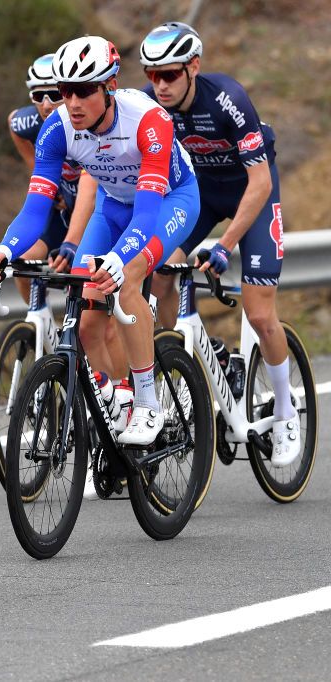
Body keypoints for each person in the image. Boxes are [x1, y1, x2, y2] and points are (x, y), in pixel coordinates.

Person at [0, 36, 199, 447]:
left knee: (126, 277)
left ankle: (149, 400)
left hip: (170, 201)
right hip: (113, 208)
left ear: (109, 86)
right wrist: (3, 252)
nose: (71, 102)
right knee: (85, 317)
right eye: (64, 92)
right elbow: (34, 211)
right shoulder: (57, 128)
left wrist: (118, 257)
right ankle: (118, 395)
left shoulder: (149, 121)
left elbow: (148, 216)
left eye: (83, 91)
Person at [140, 22, 300, 466]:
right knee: (160, 272)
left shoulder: (227, 99)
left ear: (194, 66)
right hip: (201, 197)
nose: (160, 85)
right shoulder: (150, 105)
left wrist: (225, 245)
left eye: (169, 74)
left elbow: (261, 180)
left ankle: (287, 411)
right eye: (152, 76)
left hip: (252, 194)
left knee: (260, 313)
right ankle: (181, 367)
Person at [6, 54, 87, 283]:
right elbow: (13, 122)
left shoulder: (86, 120)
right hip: (62, 208)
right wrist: (44, 179)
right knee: (23, 261)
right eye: (38, 96)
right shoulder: (30, 120)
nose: (46, 104)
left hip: (91, 209)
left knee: (82, 271)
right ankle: (39, 316)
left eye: (54, 94)